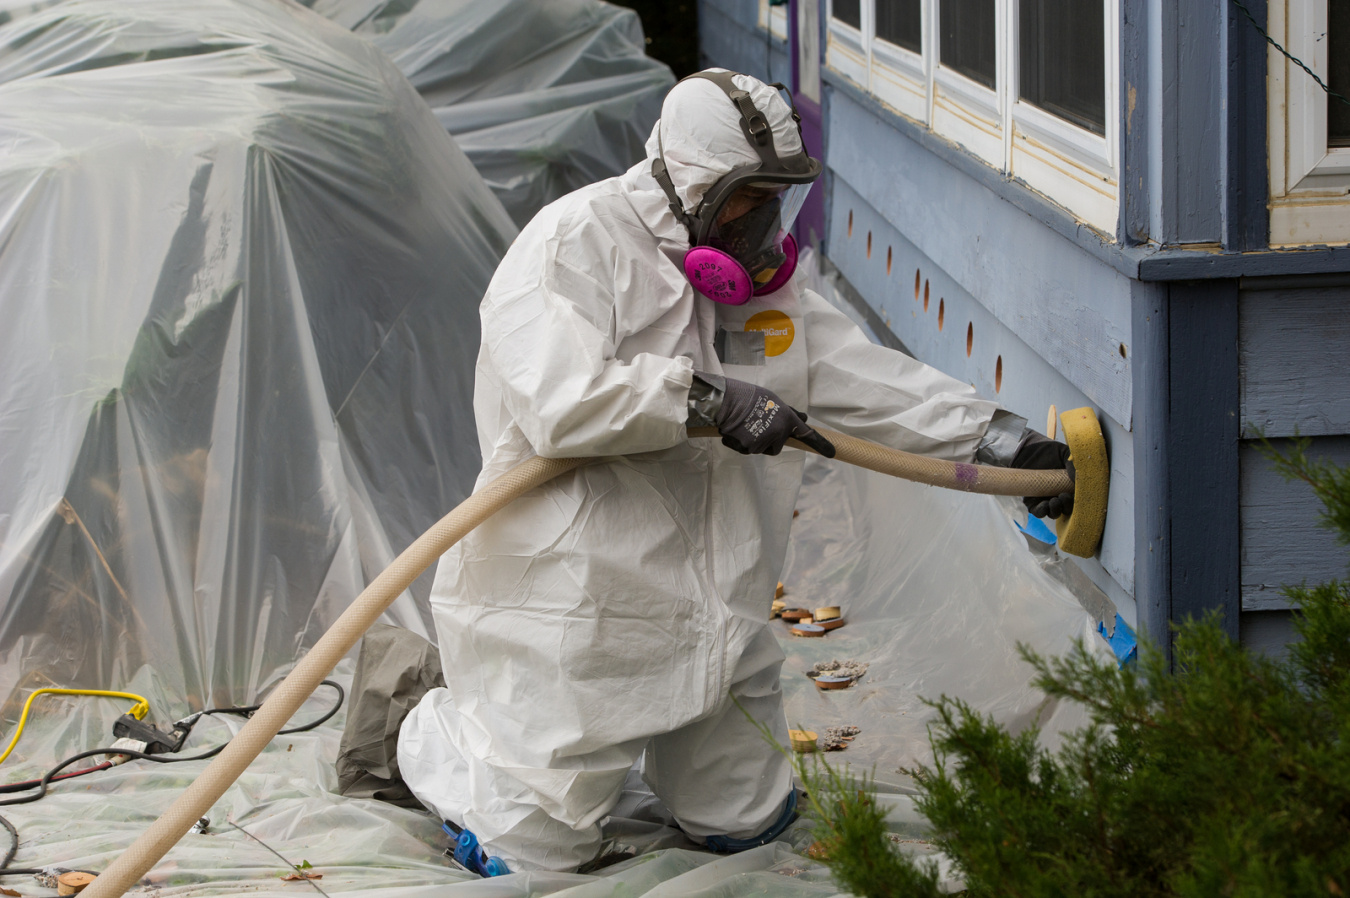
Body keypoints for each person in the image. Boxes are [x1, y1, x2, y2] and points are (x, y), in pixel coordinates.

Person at [397, 69, 1073, 876]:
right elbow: (556, 400)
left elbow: (862, 377)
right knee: (536, 847)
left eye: (774, 199)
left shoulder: (756, 292)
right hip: (580, 602)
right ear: (689, 186)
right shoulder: (571, 245)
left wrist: (1001, 443)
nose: (761, 225)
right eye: (745, 200)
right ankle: (437, 741)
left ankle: (703, 789)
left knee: (742, 823)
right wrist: (700, 399)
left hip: (722, 602)